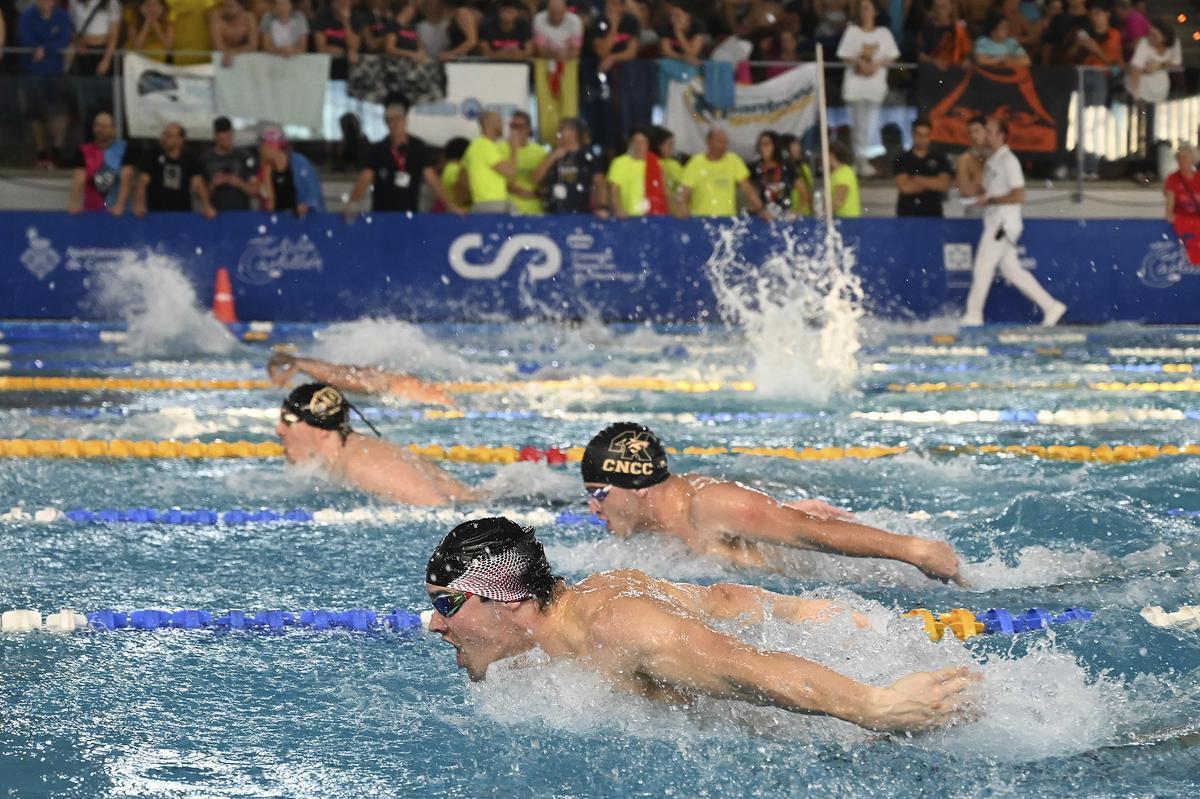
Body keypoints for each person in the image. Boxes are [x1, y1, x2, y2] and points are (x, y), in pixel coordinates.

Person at [425, 517, 981, 732]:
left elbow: (747, 669)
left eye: (448, 605)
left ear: (510, 599)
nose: (433, 623)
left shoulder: (617, 626)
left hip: (856, 725)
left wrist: (875, 706)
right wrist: (811, 614)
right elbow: (721, 598)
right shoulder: (584, 599)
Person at [579, 422, 966, 584]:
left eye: (598, 494)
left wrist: (915, 550)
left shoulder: (706, 506)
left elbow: (813, 533)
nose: (593, 509)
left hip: (886, 579)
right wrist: (777, 512)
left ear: (638, 484)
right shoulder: (662, 523)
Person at [275, 383, 476, 505]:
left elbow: (436, 507)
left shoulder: (364, 465)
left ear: (321, 430)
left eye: (288, 421)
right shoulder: (343, 457)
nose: (279, 430)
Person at [961, 118, 1066, 327]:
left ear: (1001, 135)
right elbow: (987, 190)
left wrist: (990, 199)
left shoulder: (1009, 161)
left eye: (989, 130)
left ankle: (973, 316)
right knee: (1012, 271)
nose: (985, 134)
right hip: (995, 221)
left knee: (983, 267)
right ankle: (1051, 306)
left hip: (1004, 224)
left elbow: (1019, 195)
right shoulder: (993, 161)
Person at [345, 102, 464, 217]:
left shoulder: (418, 147)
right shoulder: (378, 149)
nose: (395, 123)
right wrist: (352, 203)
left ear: (405, 121)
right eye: (390, 120)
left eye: (398, 119)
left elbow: (431, 178)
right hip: (382, 214)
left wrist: (449, 204)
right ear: (386, 123)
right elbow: (365, 178)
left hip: (409, 214)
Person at [836, 1, 898, 177]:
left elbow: (892, 56)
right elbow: (844, 55)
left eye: (867, 8)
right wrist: (859, 63)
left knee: (870, 125)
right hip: (855, 87)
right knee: (857, 126)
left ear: (875, 12)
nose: (864, 12)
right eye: (862, 8)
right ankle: (859, 161)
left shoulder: (883, 33)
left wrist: (876, 64)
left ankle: (866, 160)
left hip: (874, 87)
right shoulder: (852, 32)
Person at [268, 352, 457, 406]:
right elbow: (341, 376)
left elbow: (341, 374)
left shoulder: (412, 388)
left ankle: (298, 362)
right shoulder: (413, 388)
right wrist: (299, 364)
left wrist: (299, 363)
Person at [18, 0, 74, 169]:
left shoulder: (63, 16)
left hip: (56, 73)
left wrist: (45, 48)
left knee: (59, 112)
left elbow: (64, 39)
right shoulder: (27, 16)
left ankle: (57, 151)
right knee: (36, 114)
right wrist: (48, 46)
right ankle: (41, 152)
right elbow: (26, 40)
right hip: (32, 72)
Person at [678, 128, 767, 219]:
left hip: (727, 221)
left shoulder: (733, 160)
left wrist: (760, 209)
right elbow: (685, 190)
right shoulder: (696, 162)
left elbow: (747, 188)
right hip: (701, 220)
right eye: (720, 142)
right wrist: (682, 207)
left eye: (726, 142)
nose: (724, 145)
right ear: (709, 142)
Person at [132, 122, 216, 218]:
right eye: (164, 134)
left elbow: (198, 184)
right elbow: (142, 182)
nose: (165, 138)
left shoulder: (190, 159)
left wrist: (206, 206)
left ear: (181, 140)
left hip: (182, 215)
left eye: (169, 136)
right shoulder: (153, 155)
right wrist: (139, 203)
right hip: (155, 214)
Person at [533, 117, 607, 216]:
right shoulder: (552, 156)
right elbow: (535, 179)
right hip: (553, 214)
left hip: (581, 214)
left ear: (573, 133)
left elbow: (600, 184)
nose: (558, 135)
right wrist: (552, 158)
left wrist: (602, 207)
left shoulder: (587, 157)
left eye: (561, 131)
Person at [67, 110, 132, 215]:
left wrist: (119, 205)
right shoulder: (83, 151)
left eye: (105, 126)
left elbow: (127, 179)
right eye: (97, 126)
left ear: (114, 130)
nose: (100, 130)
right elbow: (78, 179)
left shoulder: (125, 149)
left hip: (120, 211)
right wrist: (75, 204)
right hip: (92, 210)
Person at [254, 126, 325, 217]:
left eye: (261, 147)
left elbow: (314, 194)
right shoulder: (267, 168)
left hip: (302, 221)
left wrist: (304, 206)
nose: (259, 150)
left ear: (271, 148)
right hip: (280, 220)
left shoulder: (299, 163)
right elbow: (270, 203)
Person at [606, 128, 669, 218]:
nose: (639, 145)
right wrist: (617, 209)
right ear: (630, 144)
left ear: (648, 145)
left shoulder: (656, 163)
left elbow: (664, 190)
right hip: (627, 218)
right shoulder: (619, 163)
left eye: (643, 142)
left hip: (653, 218)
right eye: (635, 142)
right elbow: (613, 191)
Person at [894, 118, 951, 217]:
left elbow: (943, 185)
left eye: (926, 135)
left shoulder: (940, 158)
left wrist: (918, 179)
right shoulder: (902, 159)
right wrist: (932, 184)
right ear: (913, 135)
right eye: (919, 135)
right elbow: (905, 188)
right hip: (907, 214)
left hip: (933, 213)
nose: (922, 139)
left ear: (930, 136)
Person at [463, 110, 516, 213]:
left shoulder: (475, 145)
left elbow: (462, 175)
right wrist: (514, 149)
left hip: (483, 202)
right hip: (492, 204)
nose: (503, 126)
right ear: (493, 124)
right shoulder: (485, 146)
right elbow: (510, 171)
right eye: (500, 122)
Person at [202, 116, 258, 212]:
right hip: (216, 215)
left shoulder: (245, 157)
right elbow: (199, 196)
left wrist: (239, 183)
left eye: (228, 137)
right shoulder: (205, 160)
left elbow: (255, 190)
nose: (226, 140)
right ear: (215, 136)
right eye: (222, 138)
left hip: (242, 214)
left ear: (232, 134)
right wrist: (214, 184)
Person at [500, 110, 547, 216]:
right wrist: (515, 189)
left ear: (528, 129)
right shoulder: (499, 149)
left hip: (535, 209)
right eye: (513, 126)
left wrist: (535, 193)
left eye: (519, 126)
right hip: (508, 209)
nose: (516, 130)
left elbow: (546, 180)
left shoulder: (539, 152)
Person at [1164, 145, 1200, 264]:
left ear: (1193, 159)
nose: (1182, 160)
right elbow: (1169, 210)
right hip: (1183, 222)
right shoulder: (1173, 179)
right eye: (1179, 158)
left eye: (1185, 157)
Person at [749, 130, 799, 217]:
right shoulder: (754, 168)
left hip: (785, 219)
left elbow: (805, 194)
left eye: (766, 144)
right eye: (760, 144)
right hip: (761, 219)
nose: (762, 147)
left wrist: (797, 212)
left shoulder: (787, 167)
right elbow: (748, 193)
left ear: (775, 146)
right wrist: (759, 210)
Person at [915, 0, 972, 70]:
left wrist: (966, 61)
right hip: (932, 72)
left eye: (943, 7)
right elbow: (919, 55)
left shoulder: (960, 29)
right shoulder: (926, 29)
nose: (939, 11)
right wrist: (934, 62)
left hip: (956, 72)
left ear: (951, 8)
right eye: (937, 7)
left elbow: (967, 53)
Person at [208, 0, 258, 67]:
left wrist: (233, 52)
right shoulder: (216, 16)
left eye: (230, 6)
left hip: (244, 59)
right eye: (224, 6)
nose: (226, 9)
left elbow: (253, 45)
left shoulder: (249, 17)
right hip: (222, 59)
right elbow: (218, 46)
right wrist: (229, 53)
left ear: (241, 7)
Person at [955, 116, 988, 218]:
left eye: (977, 131)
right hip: (974, 214)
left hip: (999, 214)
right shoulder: (965, 159)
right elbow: (966, 191)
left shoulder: (1000, 156)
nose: (973, 136)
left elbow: (1007, 190)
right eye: (970, 132)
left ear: (987, 131)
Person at [658, 1, 705, 65]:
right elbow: (666, 51)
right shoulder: (666, 27)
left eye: (677, 15)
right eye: (670, 16)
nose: (673, 19)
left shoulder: (697, 26)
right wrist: (683, 58)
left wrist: (679, 33)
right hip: (673, 64)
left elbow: (693, 54)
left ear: (688, 16)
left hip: (696, 65)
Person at [827, 141, 860, 218]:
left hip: (847, 220)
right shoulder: (835, 173)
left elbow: (839, 199)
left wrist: (825, 214)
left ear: (831, 155)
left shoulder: (844, 172)